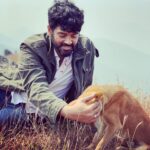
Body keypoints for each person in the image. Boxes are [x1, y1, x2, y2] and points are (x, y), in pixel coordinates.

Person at [0, 1, 100, 130]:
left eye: (74, 36)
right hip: (12, 94)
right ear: (49, 30)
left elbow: (86, 88)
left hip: (29, 112)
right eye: (62, 35)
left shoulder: (86, 48)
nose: (68, 41)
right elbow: (37, 90)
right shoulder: (33, 47)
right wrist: (67, 111)